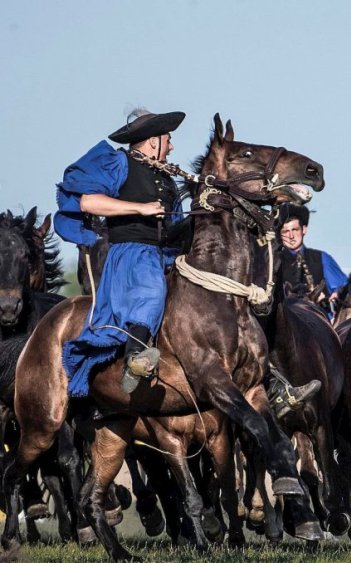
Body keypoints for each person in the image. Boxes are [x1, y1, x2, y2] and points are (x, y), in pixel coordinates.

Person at [55, 109, 320, 409]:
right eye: (168, 140)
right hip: (132, 255)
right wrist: (139, 209)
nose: (172, 146)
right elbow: (88, 201)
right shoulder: (119, 163)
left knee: (218, 308)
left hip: (165, 254)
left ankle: (270, 381)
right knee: (153, 289)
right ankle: (134, 357)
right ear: (152, 142)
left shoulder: (167, 178)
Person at [277, 204, 347, 314]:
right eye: (285, 231)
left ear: (304, 229)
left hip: (319, 320)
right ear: (280, 235)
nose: (291, 236)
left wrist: (337, 294)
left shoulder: (321, 258)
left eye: (295, 229)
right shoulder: (274, 262)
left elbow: (343, 286)